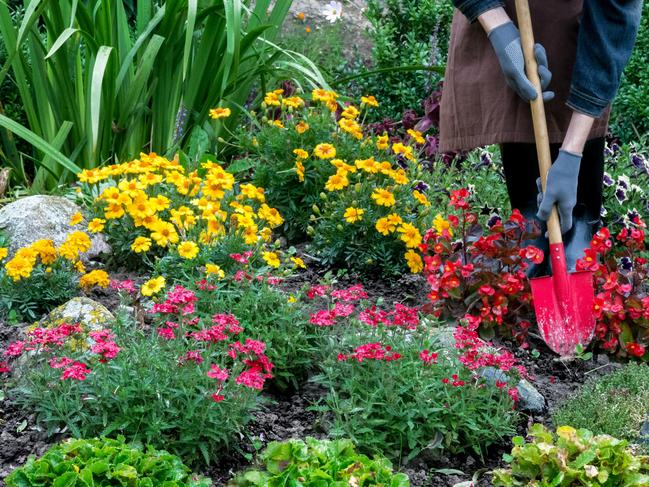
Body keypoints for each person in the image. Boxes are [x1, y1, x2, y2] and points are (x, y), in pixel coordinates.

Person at [440, 0, 644, 276]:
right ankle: (529, 227)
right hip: (501, 7)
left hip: (569, 17)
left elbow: (613, 16)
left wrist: (572, 154)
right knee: (530, 234)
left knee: (562, 39)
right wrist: (496, 24)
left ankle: (579, 233)